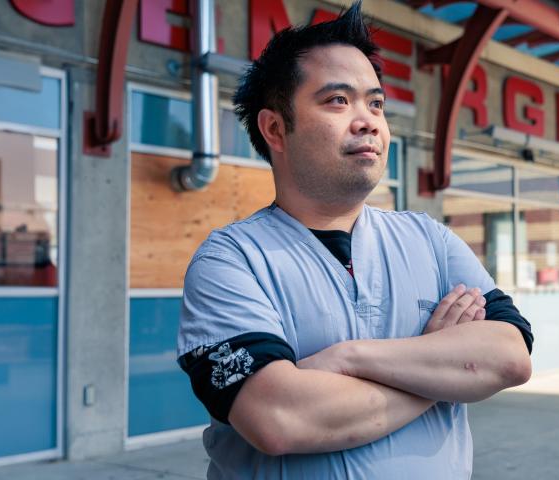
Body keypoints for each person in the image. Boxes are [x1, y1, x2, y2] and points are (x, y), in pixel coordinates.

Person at [176, 2, 535, 478]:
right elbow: (279, 417)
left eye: (376, 103)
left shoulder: (429, 239)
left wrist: (349, 357)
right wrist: (439, 364)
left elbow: (509, 358)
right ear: (275, 128)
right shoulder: (232, 260)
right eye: (338, 101)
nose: (367, 120)